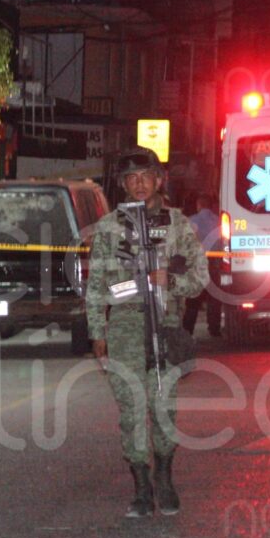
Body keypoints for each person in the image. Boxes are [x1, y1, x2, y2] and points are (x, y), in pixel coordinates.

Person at [86, 147, 209, 518]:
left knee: (163, 408)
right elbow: (95, 285)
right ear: (123, 185)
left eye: (145, 177)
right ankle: (141, 487)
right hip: (124, 325)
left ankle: (165, 478)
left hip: (166, 323)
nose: (139, 185)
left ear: (159, 179)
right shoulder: (109, 228)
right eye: (131, 179)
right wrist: (97, 333)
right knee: (132, 409)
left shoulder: (178, 225)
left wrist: (168, 279)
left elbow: (200, 279)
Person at [182, 193, 223, 337]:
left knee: (193, 299)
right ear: (211, 206)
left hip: (197, 263)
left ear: (198, 205)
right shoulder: (218, 221)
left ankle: (188, 329)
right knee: (214, 298)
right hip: (215, 263)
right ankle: (214, 329)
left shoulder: (191, 221)